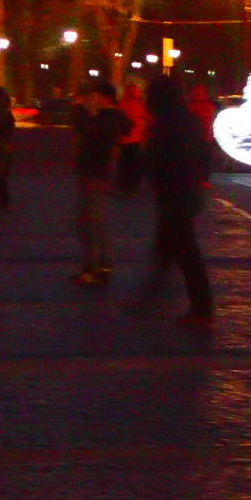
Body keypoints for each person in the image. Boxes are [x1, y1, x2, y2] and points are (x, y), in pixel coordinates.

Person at [126, 75, 213, 329]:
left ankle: (200, 308)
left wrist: (146, 168)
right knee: (169, 247)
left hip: (175, 195)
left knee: (185, 251)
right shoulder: (187, 120)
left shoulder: (166, 123)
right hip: (184, 193)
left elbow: (160, 158)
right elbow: (199, 155)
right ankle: (153, 296)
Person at [70, 80, 131, 285]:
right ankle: (102, 262)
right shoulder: (110, 117)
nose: (90, 101)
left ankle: (92, 268)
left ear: (104, 98)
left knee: (90, 222)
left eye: (93, 97)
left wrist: (79, 109)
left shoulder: (106, 119)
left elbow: (87, 131)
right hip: (96, 172)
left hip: (94, 173)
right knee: (95, 219)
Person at [115, 82, 148, 195]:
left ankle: (122, 186)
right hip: (136, 141)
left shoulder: (121, 104)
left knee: (123, 165)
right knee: (134, 166)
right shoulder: (140, 106)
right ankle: (133, 187)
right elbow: (144, 121)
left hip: (124, 140)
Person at [187, 82, 217, 185]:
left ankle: (195, 178)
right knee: (204, 159)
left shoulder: (190, 105)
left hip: (195, 137)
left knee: (195, 159)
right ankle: (203, 179)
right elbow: (210, 120)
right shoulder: (208, 105)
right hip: (204, 137)